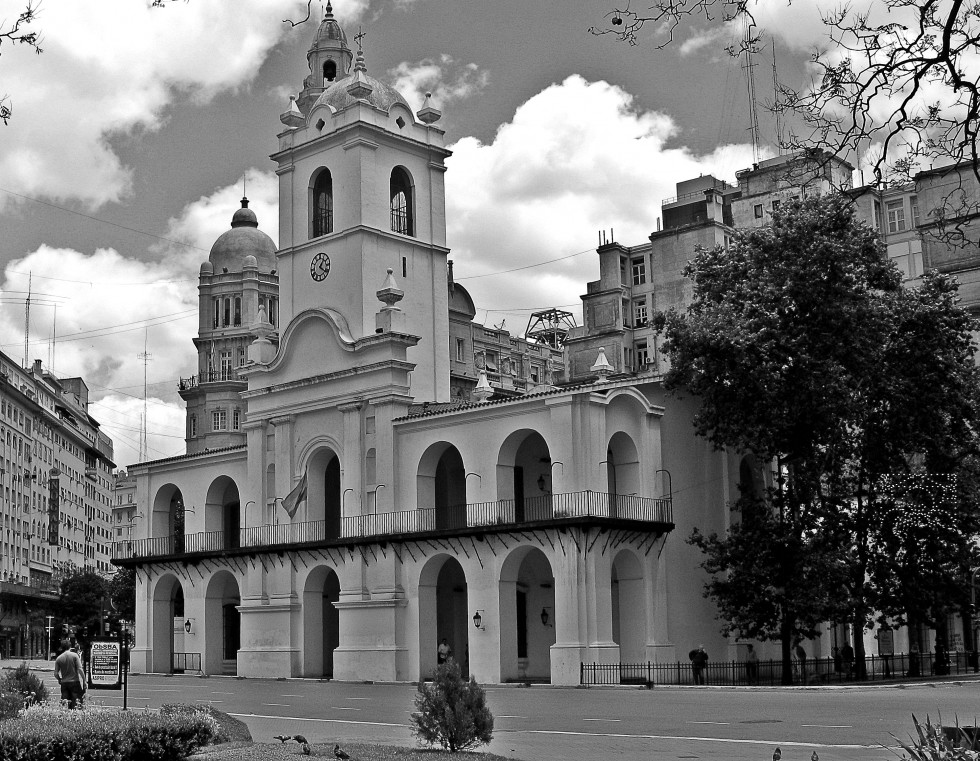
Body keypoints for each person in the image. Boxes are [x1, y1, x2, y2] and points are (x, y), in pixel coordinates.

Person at [54, 640, 86, 709]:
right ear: (70, 647)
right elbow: (80, 669)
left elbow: (56, 673)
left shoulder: (59, 658)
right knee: (77, 703)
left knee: (65, 704)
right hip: (74, 682)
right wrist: (84, 680)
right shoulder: (74, 656)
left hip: (64, 683)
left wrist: (59, 679)